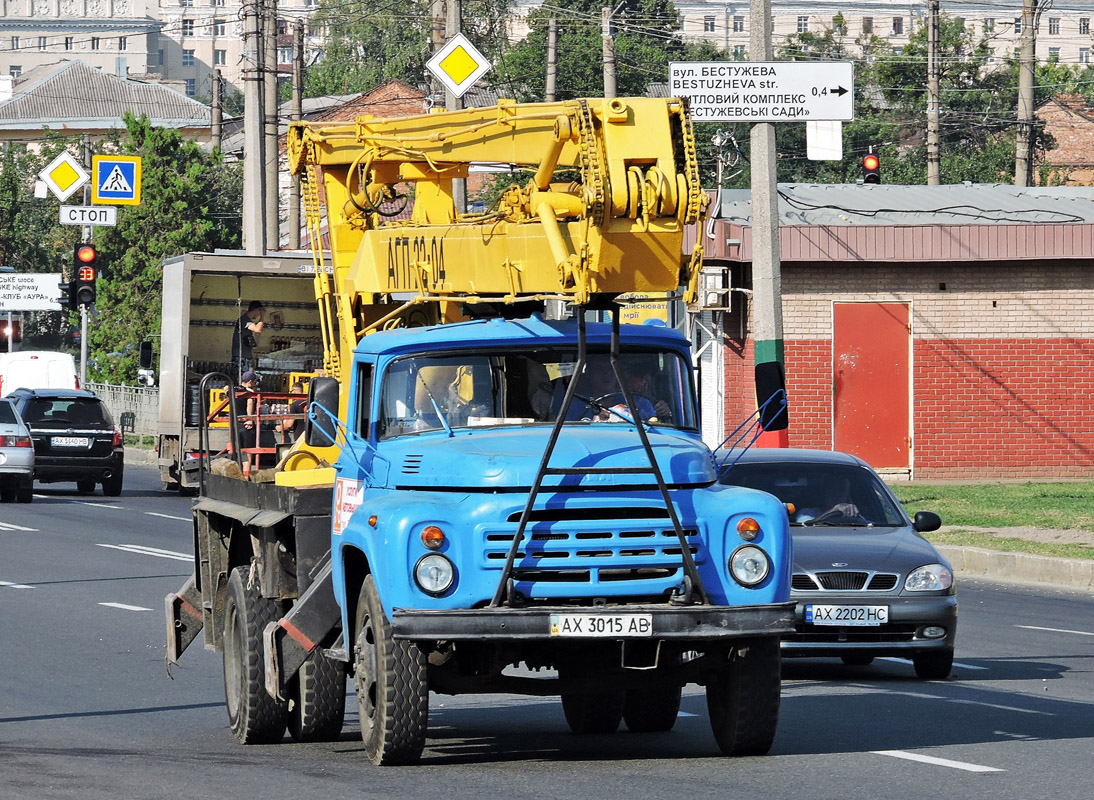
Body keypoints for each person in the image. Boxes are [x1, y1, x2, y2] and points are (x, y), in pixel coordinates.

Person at [231, 300, 266, 379]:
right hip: (241, 357)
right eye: (259, 312)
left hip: (245, 356)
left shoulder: (246, 320)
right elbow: (257, 330)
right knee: (243, 380)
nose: (258, 315)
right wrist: (262, 317)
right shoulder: (244, 320)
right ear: (256, 310)